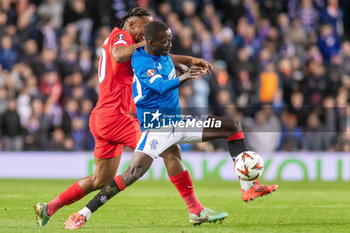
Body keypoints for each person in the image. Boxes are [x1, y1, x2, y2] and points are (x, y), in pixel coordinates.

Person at [65, 21, 278, 229]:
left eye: (170, 40)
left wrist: (192, 61)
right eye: (165, 41)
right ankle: (83, 213)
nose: (169, 45)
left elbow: (170, 60)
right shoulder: (140, 61)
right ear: (149, 42)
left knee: (233, 126)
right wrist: (185, 76)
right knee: (131, 175)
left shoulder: (162, 54)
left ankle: (249, 187)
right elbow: (159, 86)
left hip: (179, 123)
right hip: (157, 129)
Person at [34, 8, 216, 227]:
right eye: (145, 27)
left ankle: (49, 207)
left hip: (103, 117)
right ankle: (196, 210)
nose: (147, 32)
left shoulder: (132, 45)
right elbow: (118, 54)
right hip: (115, 117)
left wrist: (190, 59)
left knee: (99, 180)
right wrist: (144, 43)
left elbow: (158, 53)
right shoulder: (121, 37)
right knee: (170, 150)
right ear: (131, 25)